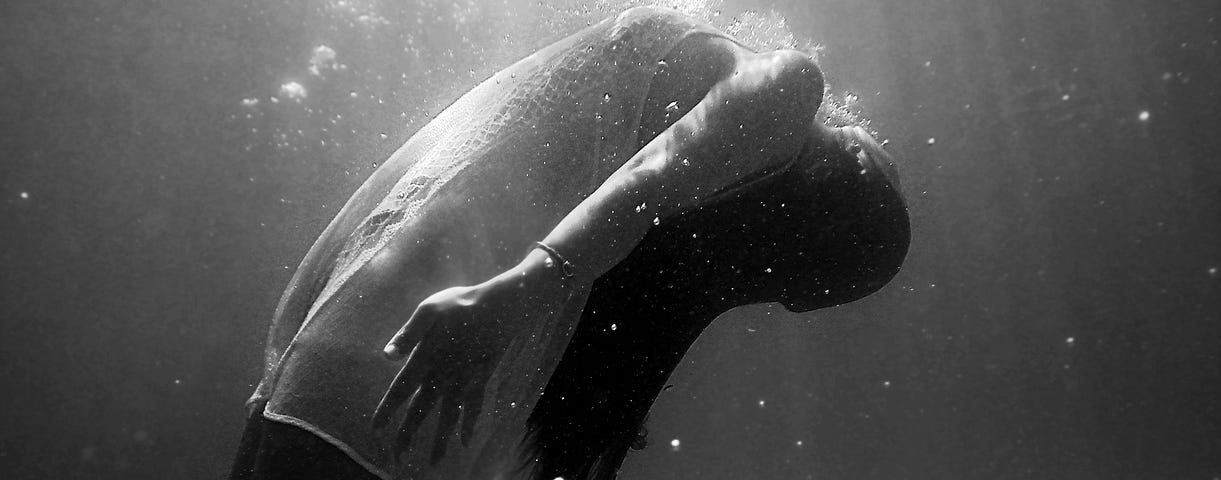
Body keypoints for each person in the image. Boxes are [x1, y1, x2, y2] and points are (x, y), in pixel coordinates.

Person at [232, 7, 907, 480]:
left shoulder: (784, 94)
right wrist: (516, 291)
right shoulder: (768, 103)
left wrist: (515, 289)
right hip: (439, 332)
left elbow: (648, 176)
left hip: (398, 309)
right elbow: (646, 179)